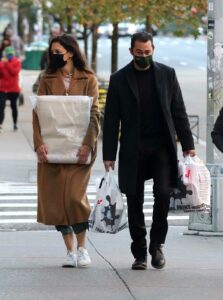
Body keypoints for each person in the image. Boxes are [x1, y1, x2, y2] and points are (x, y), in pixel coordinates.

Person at [103, 32, 195, 270]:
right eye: (139, 52)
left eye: (148, 52)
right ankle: (140, 252)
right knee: (134, 199)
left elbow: (179, 111)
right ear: (131, 51)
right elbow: (111, 121)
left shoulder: (167, 74)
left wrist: (188, 145)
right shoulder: (120, 79)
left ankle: (157, 245)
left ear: (153, 49)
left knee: (163, 194)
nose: (144, 56)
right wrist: (109, 155)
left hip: (161, 147)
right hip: (134, 148)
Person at [32, 34, 100, 268]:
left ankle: (83, 248)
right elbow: (37, 113)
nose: (54, 55)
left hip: (80, 149)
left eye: (58, 51)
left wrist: (88, 144)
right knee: (56, 201)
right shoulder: (47, 78)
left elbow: (94, 114)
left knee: (73, 197)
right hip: (52, 148)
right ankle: (70, 251)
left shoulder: (88, 78)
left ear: (70, 52)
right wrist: (38, 142)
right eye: (52, 51)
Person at [0, 46, 21, 132]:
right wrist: (3, 65)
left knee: (13, 106)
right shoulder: (1, 63)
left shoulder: (17, 62)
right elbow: (4, 75)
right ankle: (0, 124)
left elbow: (14, 72)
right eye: (8, 54)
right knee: (1, 107)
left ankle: (15, 123)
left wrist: (7, 64)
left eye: (11, 54)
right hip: (3, 88)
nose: (9, 56)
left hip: (14, 89)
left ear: (13, 54)